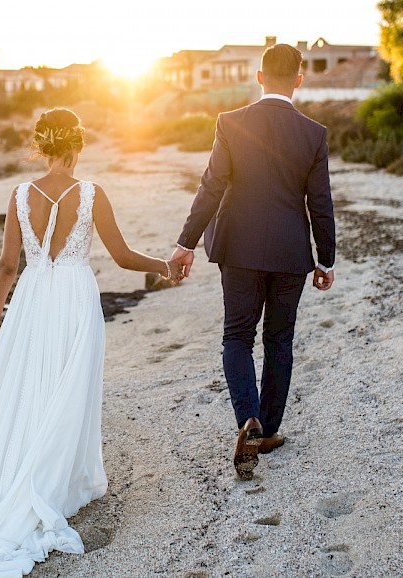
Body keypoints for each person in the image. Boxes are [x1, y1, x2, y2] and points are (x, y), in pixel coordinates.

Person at [0, 108, 181, 577]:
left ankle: (30, 472)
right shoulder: (91, 194)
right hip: (74, 298)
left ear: (42, 147)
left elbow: (8, 266)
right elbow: (124, 256)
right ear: (78, 146)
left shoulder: (20, 194)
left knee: (27, 387)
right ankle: (59, 480)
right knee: (69, 388)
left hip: (31, 299)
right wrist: (164, 266)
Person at [170, 42, 336, 481]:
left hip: (239, 250)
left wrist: (185, 242)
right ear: (299, 79)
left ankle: (249, 419)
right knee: (279, 340)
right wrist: (326, 259)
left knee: (237, 337)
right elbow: (320, 203)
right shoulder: (313, 133)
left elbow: (211, 187)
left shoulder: (230, 123)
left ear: (259, 77)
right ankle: (267, 430)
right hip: (290, 254)